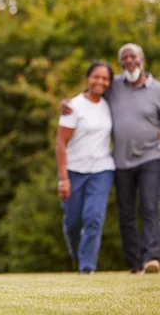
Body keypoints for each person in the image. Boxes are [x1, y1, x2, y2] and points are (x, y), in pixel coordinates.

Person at [61, 43, 160, 274]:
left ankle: (152, 257)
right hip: (121, 161)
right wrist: (65, 103)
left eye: (133, 56)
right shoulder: (114, 85)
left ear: (142, 59)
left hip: (150, 157)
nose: (129, 61)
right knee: (125, 213)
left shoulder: (157, 89)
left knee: (149, 206)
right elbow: (91, 92)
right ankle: (135, 264)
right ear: (121, 63)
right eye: (124, 58)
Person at [56, 61, 115, 275]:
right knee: (72, 222)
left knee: (94, 218)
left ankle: (87, 267)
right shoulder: (73, 106)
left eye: (105, 78)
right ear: (88, 78)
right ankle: (78, 256)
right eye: (96, 77)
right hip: (73, 170)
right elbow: (60, 142)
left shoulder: (111, 104)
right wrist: (63, 178)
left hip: (102, 170)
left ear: (109, 82)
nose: (100, 81)